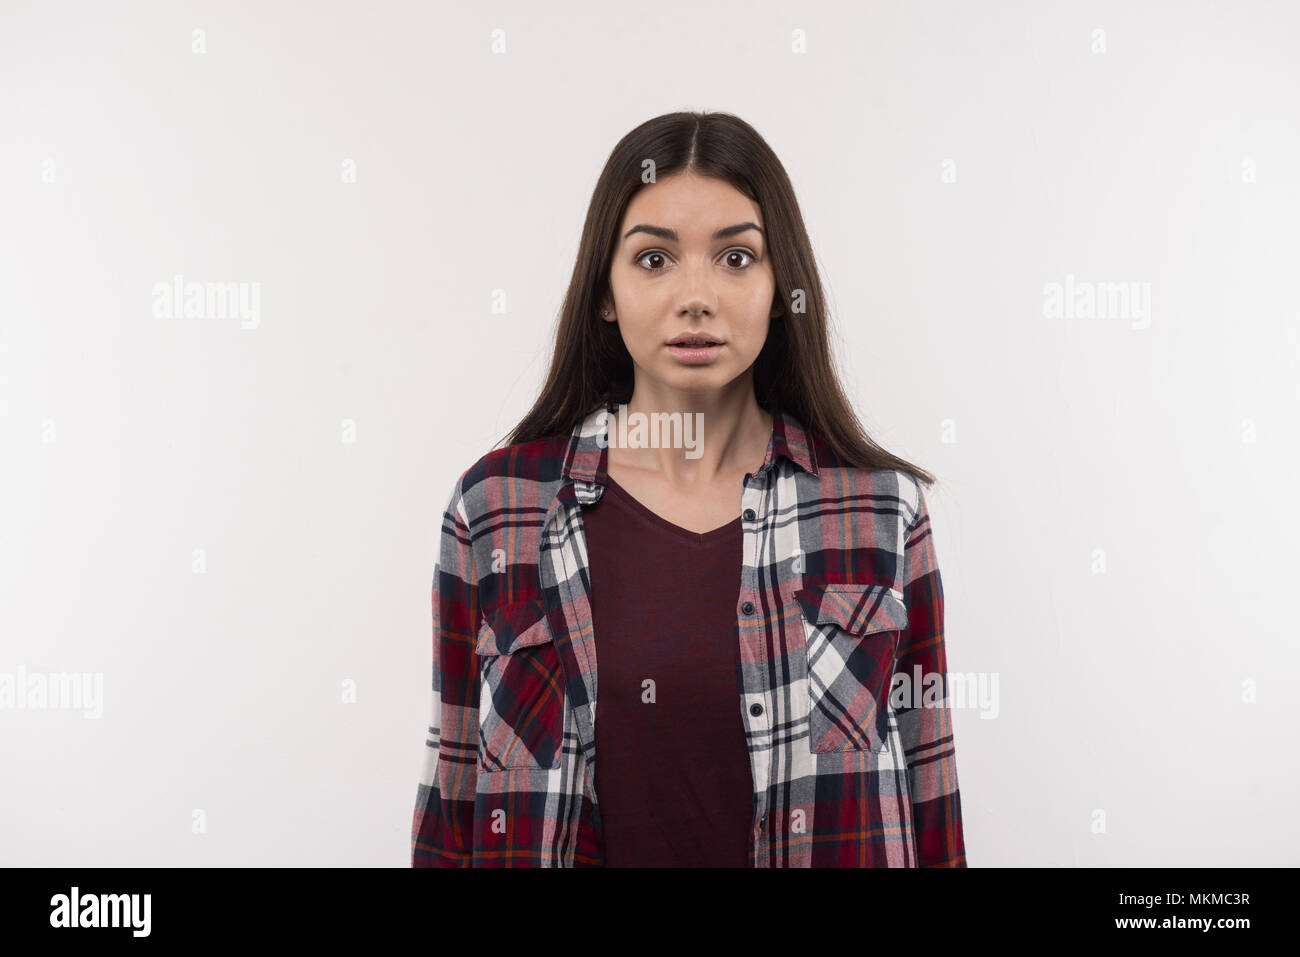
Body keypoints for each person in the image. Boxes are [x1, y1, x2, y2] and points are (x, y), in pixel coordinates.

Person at [411, 110, 966, 867]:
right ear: (604, 291)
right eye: (654, 260)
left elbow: (930, 794)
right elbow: (453, 798)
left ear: (781, 289)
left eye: (736, 258)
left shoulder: (878, 513)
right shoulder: (498, 509)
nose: (696, 295)